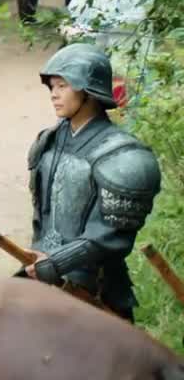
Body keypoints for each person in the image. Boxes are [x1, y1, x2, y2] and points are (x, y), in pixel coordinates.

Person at [24, 43, 161, 322]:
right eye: (52, 86)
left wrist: (59, 262)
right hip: (43, 276)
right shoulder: (47, 142)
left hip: (95, 289)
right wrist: (42, 260)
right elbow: (43, 217)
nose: (54, 94)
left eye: (63, 86)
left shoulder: (124, 156)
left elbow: (109, 235)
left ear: (88, 91)